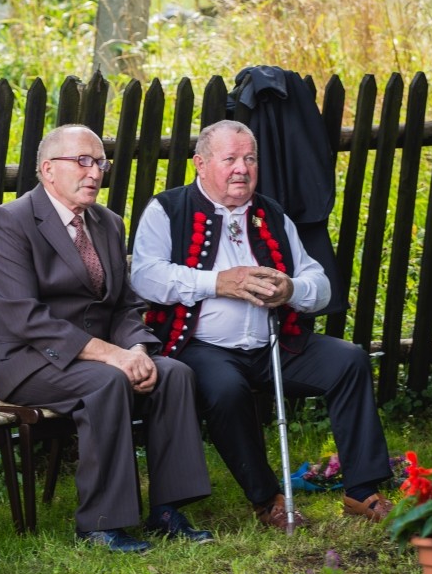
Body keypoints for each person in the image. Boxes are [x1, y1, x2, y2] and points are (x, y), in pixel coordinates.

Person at [130, 119, 393, 530]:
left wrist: (291, 289)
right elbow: (145, 277)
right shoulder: (168, 209)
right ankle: (267, 499)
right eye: (230, 159)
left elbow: (319, 283)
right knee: (225, 389)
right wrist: (217, 282)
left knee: (350, 360)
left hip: (276, 343)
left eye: (250, 159)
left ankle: (361, 490)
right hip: (202, 346)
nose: (242, 168)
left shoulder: (271, 213)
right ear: (201, 163)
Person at [0, 124, 213, 554]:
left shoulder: (108, 223)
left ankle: (167, 510)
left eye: (100, 163)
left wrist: (137, 350)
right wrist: (113, 357)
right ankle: (102, 525)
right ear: (48, 169)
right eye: (82, 161)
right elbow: (23, 315)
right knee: (106, 382)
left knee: (173, 374)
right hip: (26, 360)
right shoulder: (11, 221)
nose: (94, 172)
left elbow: (123, 305)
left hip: (98, 358)